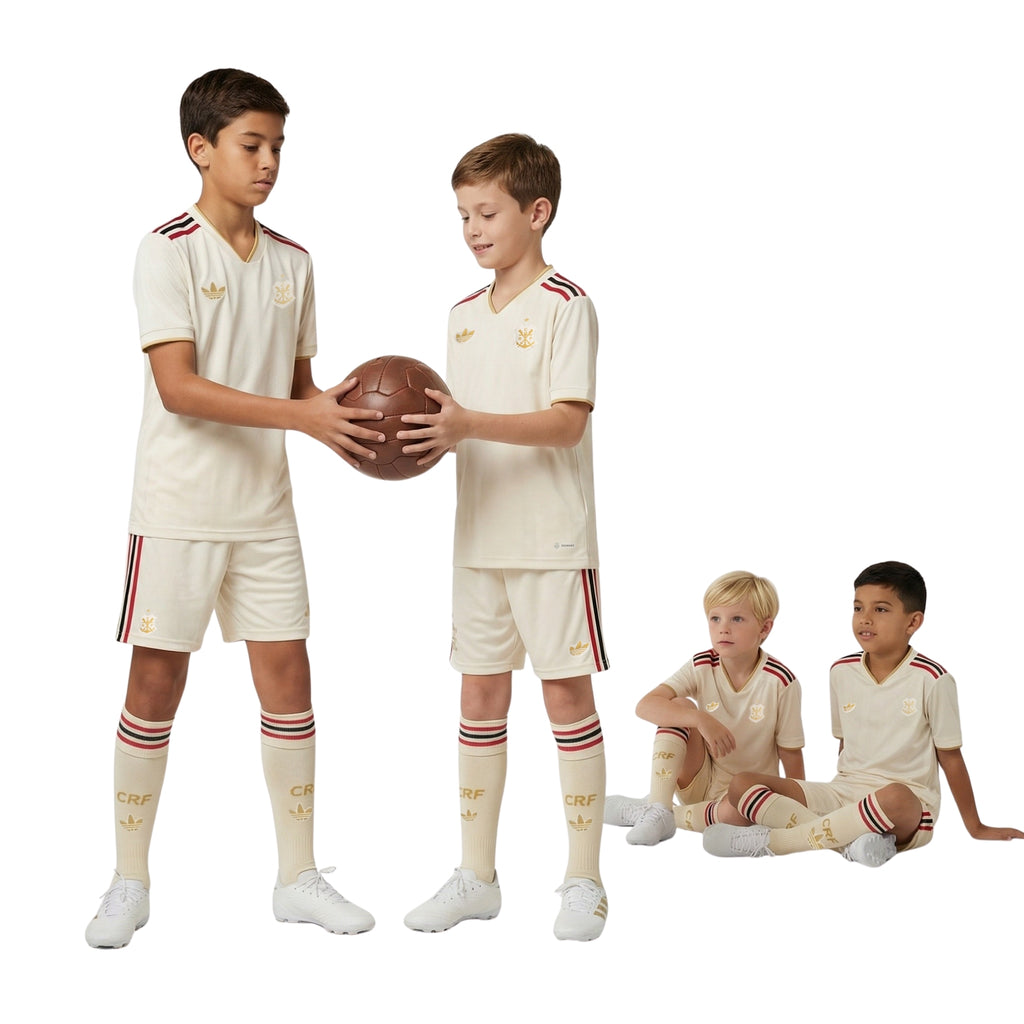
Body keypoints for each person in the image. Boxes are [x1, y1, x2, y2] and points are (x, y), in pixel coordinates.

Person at [85, 69, 384, 948]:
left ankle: (298, 877)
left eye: (278, 146)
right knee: (155, 684)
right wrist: (303, 417)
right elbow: (179, 388)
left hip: (265, 512)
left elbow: (299, 390)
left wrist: (357, 421)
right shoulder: (165, 250)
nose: (269, 162)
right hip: (177, 508)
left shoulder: (295, 261)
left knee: (290, 680)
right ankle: (128, 881)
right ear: (200, 148)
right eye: (251, 145)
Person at [397, 134, 610, 941]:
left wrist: (466, 424)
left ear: (537, 211)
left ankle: (584, 879)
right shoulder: (459, 317)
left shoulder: (567, 304)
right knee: (479, 699)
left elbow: (564, 424)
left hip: (551, 542)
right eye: (463, 215)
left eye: (487, 213)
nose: (472, 229)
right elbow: (453, 427)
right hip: (477, 539)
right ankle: (476, 877)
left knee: (565, 699)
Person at [704, 561, 1024, 864]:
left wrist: (975, 827)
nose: (865, 619)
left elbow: (951, 758)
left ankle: (776, 842)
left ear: (912, 622)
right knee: (742, 783)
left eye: (880, 609)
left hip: (906, 803)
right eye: (858, 608)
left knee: (895, 797)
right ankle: (849, 844)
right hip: (843, 793)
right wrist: (821, 795)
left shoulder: (933, 679)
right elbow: (845, 745)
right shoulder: (841, 671)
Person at [605, 571, 804, 846]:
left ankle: (659, 812)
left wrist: (797, 810)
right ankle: (660, 806)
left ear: (764, 629)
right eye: (715, 618)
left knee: (740, 814)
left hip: (745, 794)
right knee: (678, 706)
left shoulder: (780, 681)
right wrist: (699, 718)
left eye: (737, 619)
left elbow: (791, 753)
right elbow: (645, 706)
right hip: (698, 780)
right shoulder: (702, 665)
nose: (723, 628)